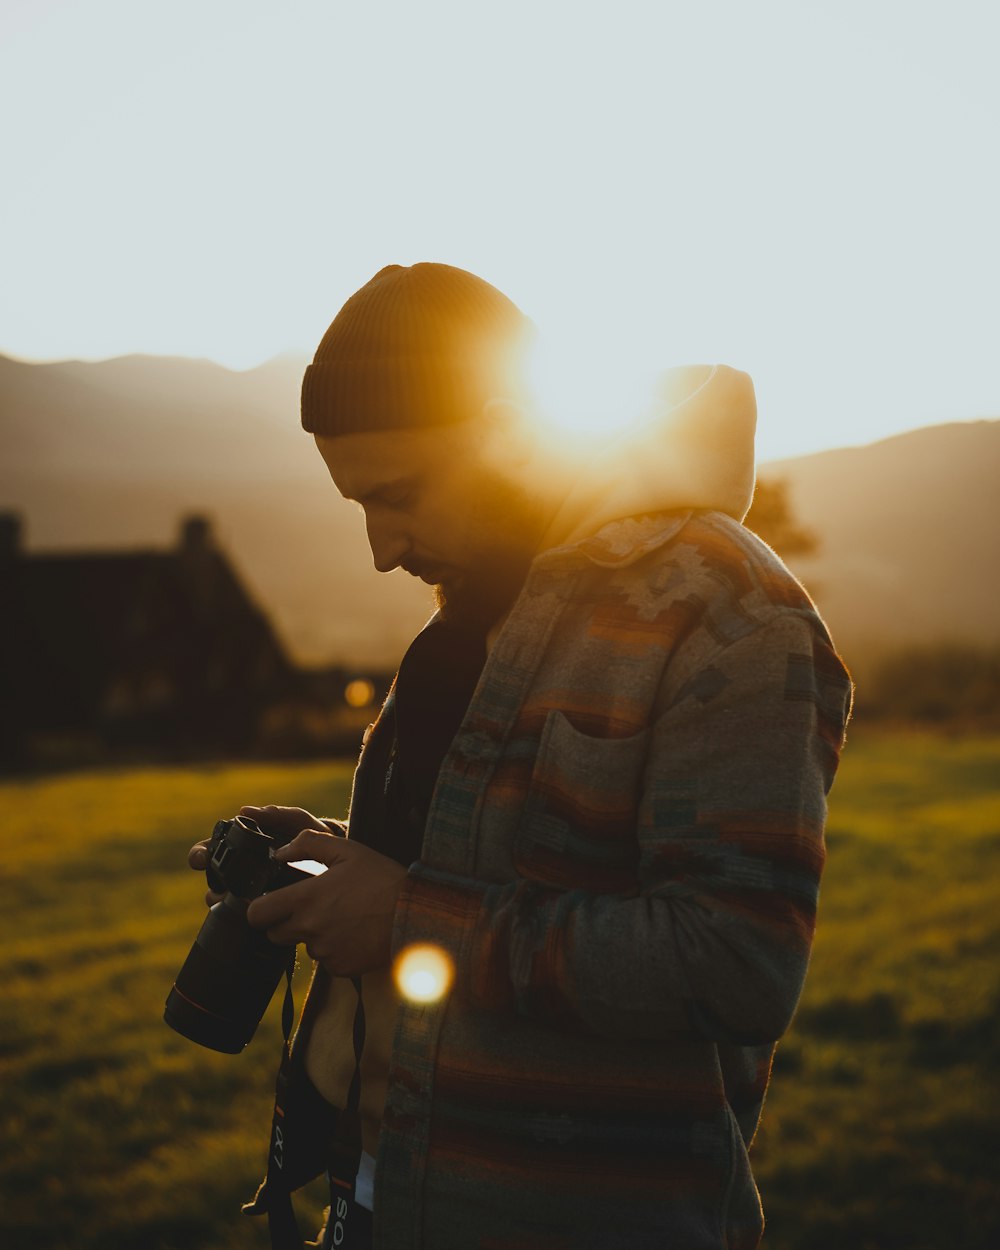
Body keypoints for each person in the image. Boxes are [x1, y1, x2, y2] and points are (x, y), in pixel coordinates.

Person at [189, 262, 853, 1249]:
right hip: (375, 1204)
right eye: (357, 503)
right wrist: (336, 859)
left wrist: (405, 915)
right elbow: (481, 873)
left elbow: (736, 962)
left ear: (506, 427)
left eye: (399, 494)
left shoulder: (728, 617)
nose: (379, 548)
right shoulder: (468, 616)